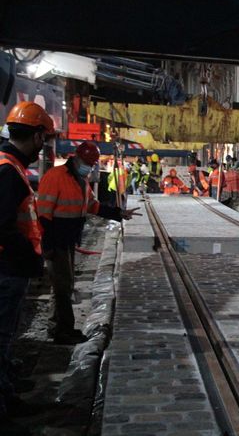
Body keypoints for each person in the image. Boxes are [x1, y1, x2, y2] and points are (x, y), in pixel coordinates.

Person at [38, 142, 138, 345]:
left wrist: (118, 213)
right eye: (88, 163)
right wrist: (47, 245)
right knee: (63, 286)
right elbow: (43, 214)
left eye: (92, 164)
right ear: (76, 159)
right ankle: (63, 330)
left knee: (62, 285)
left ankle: (56, 325)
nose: (90, 167)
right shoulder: (56, 177)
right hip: (56, 240)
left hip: (68, 240)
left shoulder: (80, 180)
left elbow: (93, 206)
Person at [0, 102, 54, 427]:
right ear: (36, 136)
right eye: (43, 139)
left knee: (6, 337)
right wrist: (30, 257)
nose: (44, 147)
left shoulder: (9, 166)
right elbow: (5, 226)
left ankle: (7, 389)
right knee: (2, 336)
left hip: (10, 268)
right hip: (8, 270)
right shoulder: (9, 172)